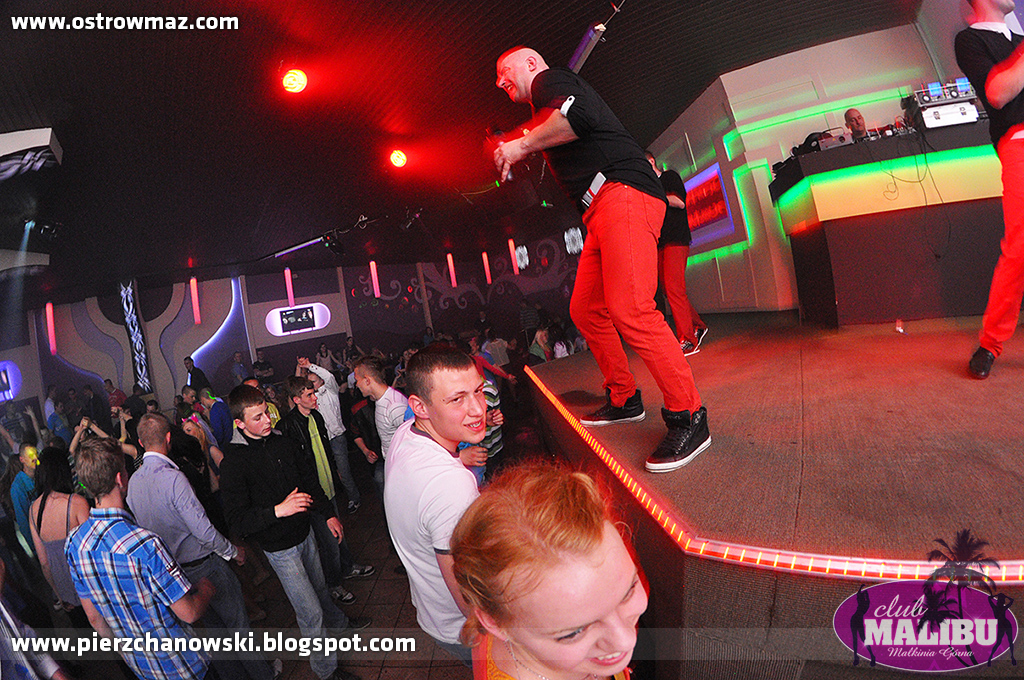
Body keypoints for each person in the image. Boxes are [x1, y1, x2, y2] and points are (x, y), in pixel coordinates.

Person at [493, 46, 710, 472]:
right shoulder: (541, 109)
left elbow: (579, 115)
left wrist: (521, 144)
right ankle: (625, 398)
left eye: (505, 71)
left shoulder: (548, 81)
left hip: (622, 193)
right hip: (600, 211)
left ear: (531, 64)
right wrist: (519, 141)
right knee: (587, 309)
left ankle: (689, 416)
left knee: (633, 308)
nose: (500, 82)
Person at [219, 385, 367, 680]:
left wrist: (328, 514)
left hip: (305, 532)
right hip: (279, 548)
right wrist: (277, 510)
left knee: (321, 589)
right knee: (310, 612)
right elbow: (237, 521)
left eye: (266, 413)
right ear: (239, 424)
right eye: (258, 417)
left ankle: (338, 626)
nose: (267, 420)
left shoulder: (280, 442)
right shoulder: (233, 463)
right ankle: (327, 671)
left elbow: (308, 479)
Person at [450, 463, 647, 680]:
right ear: (495, 623)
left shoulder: (505, 603)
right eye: (574, 633)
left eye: (628, 591)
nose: (625, 640)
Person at [127, 413, 273, 680]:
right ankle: (264, 675)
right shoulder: (173, 478)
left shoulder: (134, 482)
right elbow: (202, 530)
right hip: (204, 565)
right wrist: (233, 551)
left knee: (216, 632)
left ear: (140, 441)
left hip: (174, 572)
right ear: (169, 438)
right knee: (238, 626)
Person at [65, 436, 216, 680]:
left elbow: (95, 618)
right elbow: (188, 612)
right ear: (120, 479)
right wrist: (206, 589)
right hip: (183, 666)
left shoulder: (74, 543)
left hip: (142, 668)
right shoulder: (145, 544)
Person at [383, 344, 485, 664]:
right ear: (420, 406)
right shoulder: (451, 484)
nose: (478, 409)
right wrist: (495, 638)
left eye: (479, 391)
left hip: (431, 615)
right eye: (457, 399)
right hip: (463, 628)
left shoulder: (405, 433)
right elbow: (463, 585)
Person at [957, 0, 1024, 378]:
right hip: (1019, 140)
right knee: (1020, 246)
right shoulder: (970, 40)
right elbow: (998, 93)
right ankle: (991, 342)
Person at [278, 375, 374, 596]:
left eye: (314, 393)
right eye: (309, 395)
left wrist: (334, 471)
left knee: (338, 532)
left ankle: (347, 567)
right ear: (296, 399)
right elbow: (296, 467)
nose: (315, 398)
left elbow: (325, 449)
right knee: (330, 541)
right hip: (313, 495)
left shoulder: (316, 417)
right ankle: (333, 584)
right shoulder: (288, 426)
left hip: (327, 487)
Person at [645, 151, 708, 356]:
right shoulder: (650, 187)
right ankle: (697, 325)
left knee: (674, 288)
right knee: (668, 289)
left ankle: (688, 340)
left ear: (651, 161)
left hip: (676, 239)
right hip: (661, 243)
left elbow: (679, 202)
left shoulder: (669, 176)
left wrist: (654, 194)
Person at [28, 447, 92, 626]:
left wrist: (59, 594)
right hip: (90, 586)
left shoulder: (33, 511)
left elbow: (44, 562)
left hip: (66, 591)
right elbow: (93, 550)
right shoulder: (77, 503)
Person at [297, 358, 360, 513]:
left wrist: (310, 366)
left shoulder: (330, 389)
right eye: (309, 383)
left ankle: (354, 498)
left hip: (337, 438)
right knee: (327, 473)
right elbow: (296, 389)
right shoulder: (310, 398)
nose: (312, 385)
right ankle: (331, 503)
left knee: (344, 472)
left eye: (314, 382)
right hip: (321, 439)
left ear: (321, 381)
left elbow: (329, 376)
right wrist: (300, 368)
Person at [352, 356, 408, 460]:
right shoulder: (380, 400)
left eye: (357, 380)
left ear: (367, 380)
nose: (357, 385)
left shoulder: (395, 405)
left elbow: (414, 442)